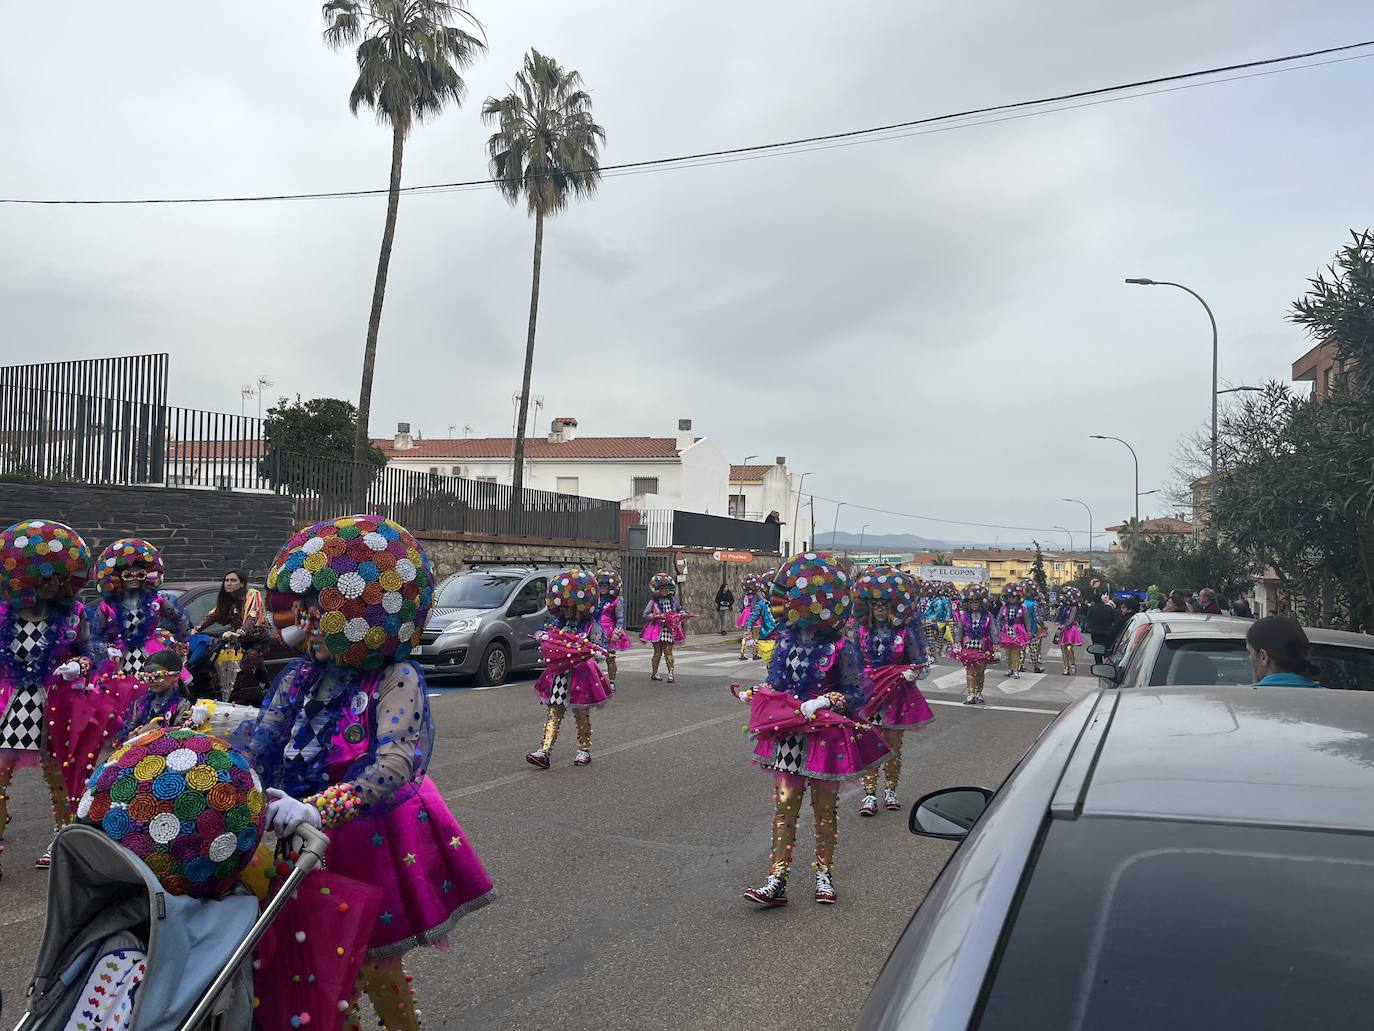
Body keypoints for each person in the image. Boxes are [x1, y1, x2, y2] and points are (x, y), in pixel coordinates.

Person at [235, 514, 494, 1030]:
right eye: (299, 610)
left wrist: (319, 806)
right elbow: (267, 736)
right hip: (292, 838)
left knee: (374, 961)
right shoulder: (301, 673)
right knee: (314, 972)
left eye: (314, 612)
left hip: (361, 838)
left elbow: (396, 763)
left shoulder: (394, 678)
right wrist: (216, 748)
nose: (300, 624)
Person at [736, 552, 891, 907]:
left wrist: (826, 701)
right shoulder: (785, 641)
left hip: (827, 738)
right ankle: (777, 879)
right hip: (789, 736)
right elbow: (775, 681)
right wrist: (757, 693)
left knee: (825, 809)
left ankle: (824, 874)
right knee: (785, 807)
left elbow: (855, 693)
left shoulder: (841, 645)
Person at [0, 519, 100, 877]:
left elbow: (90, 653)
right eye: (42, 578)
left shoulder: (74, 614)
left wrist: (78, 664)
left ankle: (62, 838)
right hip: (13, 702)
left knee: (58, 776)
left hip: (57, 702)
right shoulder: (4, 614)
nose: (50, 584)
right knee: (0, 774)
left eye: (56, 578)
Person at [851, 566, 933, 816]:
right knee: (869, 743)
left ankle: (890, 790)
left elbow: (918, 661)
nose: (879, 608)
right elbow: (853, 663)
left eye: (884, 604)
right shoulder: (861, 632)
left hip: (896, 697)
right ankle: (869, 795)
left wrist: (912, 672)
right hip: (868, 697)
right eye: (875, 604)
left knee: (893, 747)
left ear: (893, 607)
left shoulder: (904, 633)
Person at [526, 568, 612, 769]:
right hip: (559, 675)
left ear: (582, 606)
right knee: (554, 711)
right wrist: (543, 639)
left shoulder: (592, 627)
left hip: (582, 675)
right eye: (563, 606)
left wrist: (597, 653)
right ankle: (545, 751)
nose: (566, 610)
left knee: (581, 712)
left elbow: (602, 648)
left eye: (571, 607)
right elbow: (543, 635)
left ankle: (584, 749)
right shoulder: (556, 623)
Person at [88, 538, 191, 676]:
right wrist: (105, 649)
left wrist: (181, 646)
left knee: (157, 686)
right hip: (120, 659)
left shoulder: (156, 601)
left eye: (140, 575)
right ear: (118, 578)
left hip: (154, 654)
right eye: (128, 575)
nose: (134, 579)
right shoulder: (107, 607)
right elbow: (95, 637)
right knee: (125, 691)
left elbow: (180, 619)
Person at [193, 568, 268, 704]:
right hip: (238, 641)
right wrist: (196, 629)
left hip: (257, 639)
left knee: (245, 664)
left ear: (242, 583)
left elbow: (252, 616)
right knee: (237, 667)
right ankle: (231, 700)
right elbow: (214, 614)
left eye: (233, 580)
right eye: (226, 580)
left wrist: (239, 632)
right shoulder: (228, 598)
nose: (228, 583)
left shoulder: (252, 594)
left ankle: (240, 700)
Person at [116, 648, 193, 739]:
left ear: (175, 676)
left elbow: (181, 737)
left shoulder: (182, 706)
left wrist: (151, 733)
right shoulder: (140, 703)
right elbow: (127, 735)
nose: (151, 681)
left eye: (157, 676)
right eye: (146, 677)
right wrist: (136, 734)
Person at [952, 586, 999, 704]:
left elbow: (993, 631)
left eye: (976, 602)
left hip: (983, 647)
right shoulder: (964, 616)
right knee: (970, 671)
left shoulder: (988, 616)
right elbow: (960, 630)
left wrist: (996, 644)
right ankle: (971, 694)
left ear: (981, 603)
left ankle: (979, 692)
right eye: (971, 602)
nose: (973, 605)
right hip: (968, 647)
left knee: (980, 671)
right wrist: (957, 642)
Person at [1245, 615, 1321, 687]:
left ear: (1263, 657)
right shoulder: (1330, 697)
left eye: (1249, 653)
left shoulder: (1240, 698)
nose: (1249, 659)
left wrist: (1254, 689)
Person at [641, 572, 689, 682]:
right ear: (657, 590)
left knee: (669, 652)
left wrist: (682, 613)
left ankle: (671, 673)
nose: (665, 591)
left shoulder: (674, 601)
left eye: (666, 589)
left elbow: (679, 610)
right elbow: (645, 615)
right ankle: (655, 672)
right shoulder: (653, 602)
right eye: (662, 589)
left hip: (670, 629)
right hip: (657, 629)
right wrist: (655, 616)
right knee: (657, 652)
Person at [593, 566, 631, 685]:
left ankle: (612, 682)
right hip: (595, 632)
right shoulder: (594, 600)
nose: (602, 589)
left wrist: (617, 632)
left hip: (609, 632)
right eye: (600, 586)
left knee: (610, 658)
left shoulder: (615, 602)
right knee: (592, 657)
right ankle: (594, 682)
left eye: (605, 586)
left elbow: (620, 619)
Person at [997, 584, 1030, 678]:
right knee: (1007, 652)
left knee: (1016, 652)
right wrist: (997, 629)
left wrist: (1029, 632)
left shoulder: (1022, 608)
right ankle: (1010, 668)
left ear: (1018, 598)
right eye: (1010, 597)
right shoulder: (1004, 608)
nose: (1012, 599)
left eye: (1014, 597)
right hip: (1006, 631)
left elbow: (1027, 620)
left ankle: (1016, 669)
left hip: (1018, 631)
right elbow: (999, 619)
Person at [1055, 586, 1083, 675]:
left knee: (1069, 648)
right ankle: (1066, 668)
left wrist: (1062, 628)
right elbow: (1059, 618)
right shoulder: (1063, 607)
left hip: (1071, 629)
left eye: (1064, 596)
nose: (1062, 597)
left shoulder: (1074, 607)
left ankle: (1072, 664)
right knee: (1063, 649)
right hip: (1064, 628)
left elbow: (1071, 620)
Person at [923, 584, 953, 661]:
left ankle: (940, 651)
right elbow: (927, 611)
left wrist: (946, 618)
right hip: (929, 621)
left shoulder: (943, 600)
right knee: (929, 638)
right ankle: (931, 654)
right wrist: (926, 618)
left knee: (940, 637)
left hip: (940, 621)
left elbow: (948, 610)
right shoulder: (925, 600)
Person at [1023, 581, 1048, 674]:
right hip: (1032, 628)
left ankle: (1020, 665)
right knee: (1033, 647)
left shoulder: (1023, 603)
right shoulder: (1034, 604)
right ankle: (1035, 666)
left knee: (1022, 648)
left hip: (1022, 628)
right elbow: (1037, 617)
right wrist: (1042, 625)